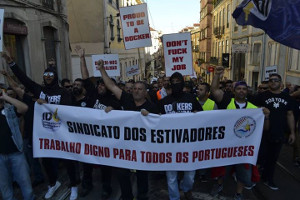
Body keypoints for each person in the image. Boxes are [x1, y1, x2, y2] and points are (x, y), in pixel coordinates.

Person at [2, 51, 78, 199]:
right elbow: (24, 80)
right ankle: (52, 184)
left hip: (63, 133)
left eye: (50, 76)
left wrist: (47, 104)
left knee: (69, 160)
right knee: (47, 161)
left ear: (55, 77)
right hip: (46, 134)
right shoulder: (39, 90)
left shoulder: (63, 92)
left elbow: (68, 109)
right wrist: (11, 63)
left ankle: (74, 185)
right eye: (45, 76)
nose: (48, 78)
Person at [96, 59, 158, 200]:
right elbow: (111, 86)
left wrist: (150, 117)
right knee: (122, 175)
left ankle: (142, 196)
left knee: (142, 178)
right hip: (125, 148)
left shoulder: (152, 107)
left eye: (139, 89)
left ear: (145, 92)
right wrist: (101, 69)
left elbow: (159, 126)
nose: (136, 91)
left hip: (143, 149)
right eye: (134, 88)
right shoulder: (127, 99)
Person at [210, 66, 270, 200]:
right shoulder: (227, 101)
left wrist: (266, 116)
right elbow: (214, 90)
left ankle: (238, 193)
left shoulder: (254, 108)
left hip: (243, 148)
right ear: (233, 90)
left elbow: (265, 128)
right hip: (225, 145)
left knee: (243, 172)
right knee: (221, 169)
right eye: (238, 88)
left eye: (244, 89)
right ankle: (219, 185)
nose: (241, 91)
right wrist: (217, 75)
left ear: (247, 91)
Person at [75, 45, 120, 199]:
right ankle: (87, 185)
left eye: (103, 84)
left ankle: (106, 188)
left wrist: (113, 111)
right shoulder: (93, 94)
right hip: (89, 136)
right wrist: (82, 58)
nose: (100, 86)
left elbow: (121, 118)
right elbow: (86, 78)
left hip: (105, 138)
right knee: (86, 163)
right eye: (99, 84)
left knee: (105, 165)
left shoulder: (114, 100)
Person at [159, 72, 202, 200]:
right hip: (170, 144)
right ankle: (174, 197)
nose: (176, 83)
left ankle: (186, 187)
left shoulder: (191, 98)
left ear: (182, 82)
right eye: (174, 81)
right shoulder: (164, 101)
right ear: (170, 84)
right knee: (171, 175)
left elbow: (202, 117)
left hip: (188, 143)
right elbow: (154, 119)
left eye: (178, 81)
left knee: (190, 174)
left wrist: (197, 114)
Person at [255, 73, 295, 190]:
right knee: (261, 156)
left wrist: (292, 132)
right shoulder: (262, 96)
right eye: (271, 80)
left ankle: (269, 179)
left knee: (273, 158)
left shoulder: (287, 97)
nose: (273, 82)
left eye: (276, 80)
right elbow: (253, 111)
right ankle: (255, 177)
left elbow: (290, 114)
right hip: (263, 132)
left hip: (278, 132)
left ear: (281, 83)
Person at [0, 88, 35, 200]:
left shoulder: (10, 109)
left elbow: (24, 108)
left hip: (16, 152)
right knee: (4, 185)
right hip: (0, 156)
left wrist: (6, 97)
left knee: (25, 181)